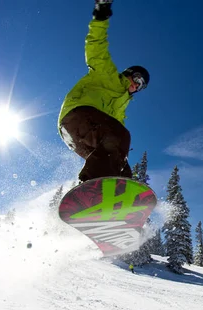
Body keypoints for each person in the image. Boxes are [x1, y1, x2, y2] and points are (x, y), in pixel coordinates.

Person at [58, 0, 150, 182]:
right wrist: (100, 14)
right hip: (77, 116)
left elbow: (115, 146)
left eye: (141, 87)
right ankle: (93, 188)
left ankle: (115, 201)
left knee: (122, 169)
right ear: (130, 73)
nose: (136, 86)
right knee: (119, 135)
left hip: (81, 139)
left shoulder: (120, 108)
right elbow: (96, 45)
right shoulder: (107, 73)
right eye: (137, 80)